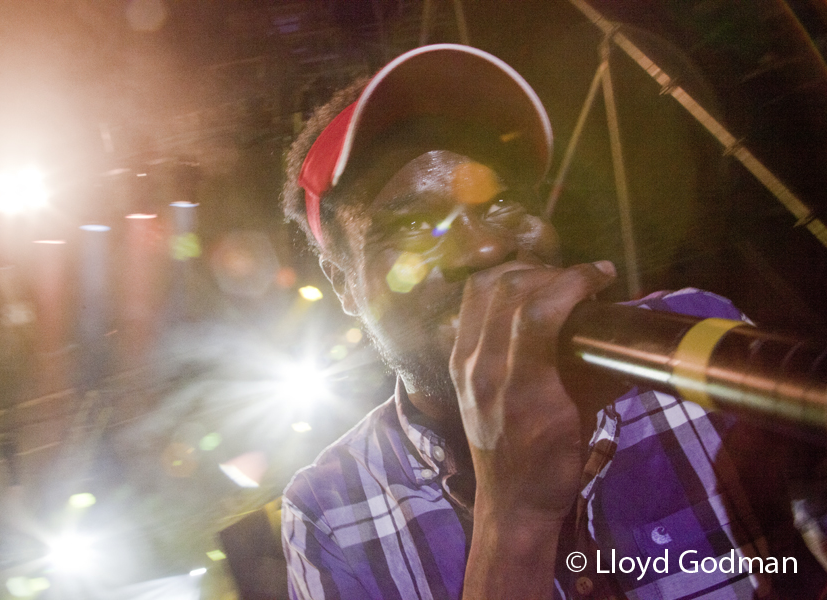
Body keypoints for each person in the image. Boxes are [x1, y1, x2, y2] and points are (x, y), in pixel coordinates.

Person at [279, 44, 827, 599]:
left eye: (504, 202)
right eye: (417, 224)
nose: (490, 246)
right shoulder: (330, 516)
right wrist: (514, 515)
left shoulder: (692, 327)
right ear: (343, 283)